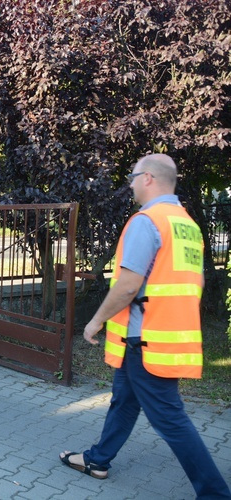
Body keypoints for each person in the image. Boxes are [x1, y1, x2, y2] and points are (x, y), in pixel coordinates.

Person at [59, 154, 231, 499]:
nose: (131, 183)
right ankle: (97, 460)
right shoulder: (187, 224)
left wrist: (94, 321)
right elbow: (192, 284)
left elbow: (127, 285)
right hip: (165, 336)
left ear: (149, 178)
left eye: (133, 176)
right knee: (124, 400)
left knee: (170, 418)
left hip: (145, 340)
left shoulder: (146, 221)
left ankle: (215, 493)